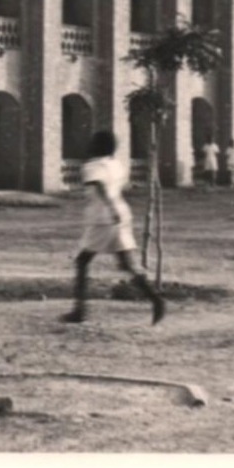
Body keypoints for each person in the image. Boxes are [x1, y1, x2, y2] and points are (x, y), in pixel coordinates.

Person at [63, 129, 167, 325]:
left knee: (82, 261)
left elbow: (99, 186)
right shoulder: (117, 165)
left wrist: (110, 208)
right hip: (120, 213)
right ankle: (156, 299)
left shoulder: (92, 166)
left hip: (103, 216)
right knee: (127, 263)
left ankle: (79, 310)